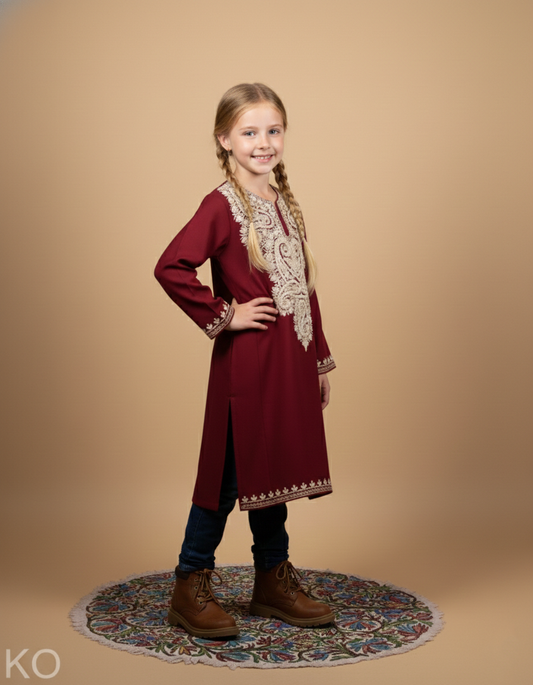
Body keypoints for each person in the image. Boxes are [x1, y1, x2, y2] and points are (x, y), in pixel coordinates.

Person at [154, 83, 336, 639]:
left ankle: (271, 580)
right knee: (228, 474)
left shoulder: (284, 202)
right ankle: (189, 581)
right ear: (225, 140)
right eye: (250, 132)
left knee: (273, 471)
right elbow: (171, 266)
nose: (263, 142)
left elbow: (303, 289)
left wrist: (319, 360)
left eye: (273, 130)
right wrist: (224, 314)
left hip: (288, 361)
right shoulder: (221, 205)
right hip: (249, 365)